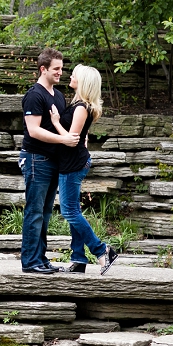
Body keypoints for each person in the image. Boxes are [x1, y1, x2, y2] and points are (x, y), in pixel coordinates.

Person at [49, 64, 119, 275]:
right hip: (72, 162)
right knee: (73, 211)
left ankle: (103, 250)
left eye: (75, 75)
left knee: (69, 211)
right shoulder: (79, 104)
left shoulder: (81, 107)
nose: (70, 76)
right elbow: (82, 137)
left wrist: (55, 122)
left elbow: (71, 139)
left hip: (73, 164)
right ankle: (78, 260)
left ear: (84, 81)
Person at [19, 48, 79, 274]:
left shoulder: (58, 95)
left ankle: (40, 259)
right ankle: (30, 262)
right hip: (36, 159)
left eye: (62, 69)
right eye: (56, 69)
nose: (60, 73)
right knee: (34, 211)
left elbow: (60, 125)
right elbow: (33, 131)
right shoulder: (35, 95)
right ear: (42, 69)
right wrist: (64, 140)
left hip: (53, 161)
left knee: (44, 212)